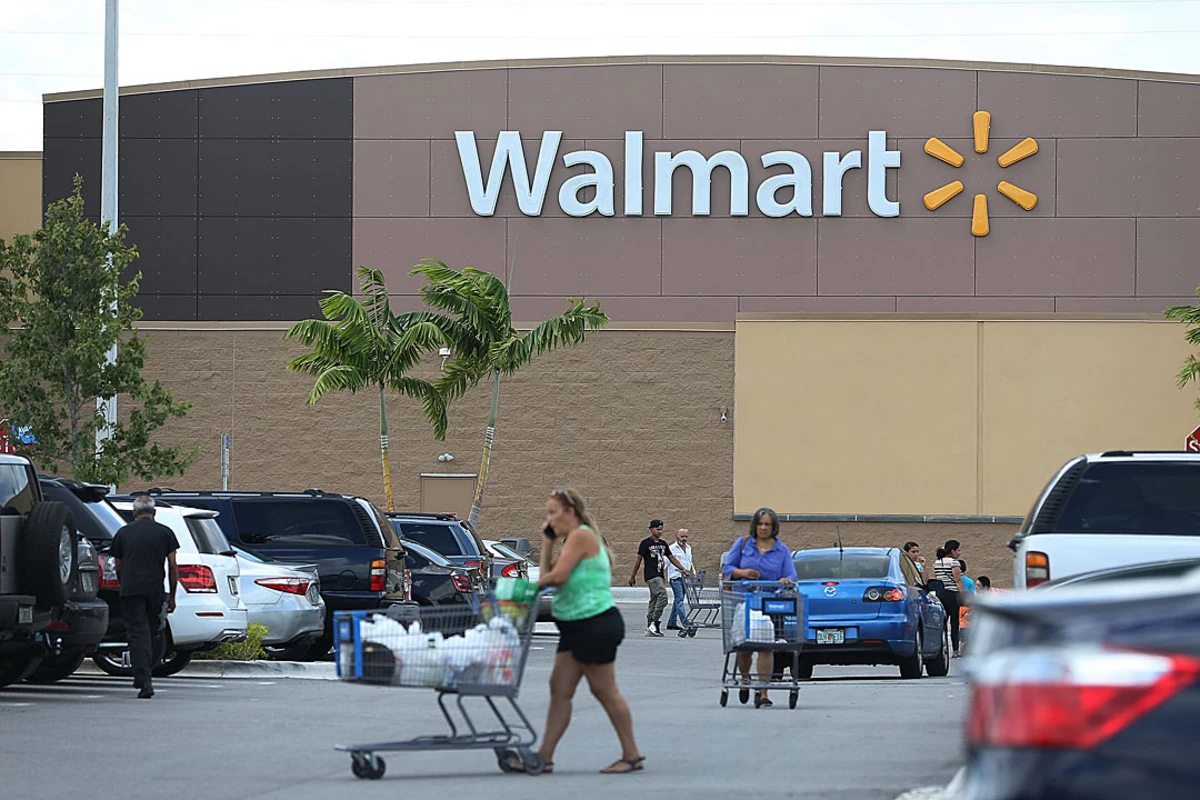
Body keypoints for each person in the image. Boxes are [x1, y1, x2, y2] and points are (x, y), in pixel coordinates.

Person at [531, 488, 643, 775]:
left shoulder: (581, 536)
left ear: (570, 512)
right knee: (560, 689)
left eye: (553, 512)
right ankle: (544, 757)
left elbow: (556, 578)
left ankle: (631, 756)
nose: (549, 518)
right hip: (575, 626)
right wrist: (546, 543)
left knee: (604, 690)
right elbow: (548, 573)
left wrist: (528, 589)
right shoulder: (570, 541)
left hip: (594, 624)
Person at [722, 507, 796, 708]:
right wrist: (743, 572)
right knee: (745, 649)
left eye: (768, 525)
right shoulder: (743, 544)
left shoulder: (782, 550)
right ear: (755, 525)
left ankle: (763, 692)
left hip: (770, 605)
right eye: (761, 524)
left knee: (766, 647)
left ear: (774, 528)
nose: (763, 528)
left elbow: (791, 575)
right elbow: (728, 568)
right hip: (745, 602)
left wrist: (785, 580)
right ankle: (745, 680)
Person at [111, 494, 180, 699]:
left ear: (134, 513)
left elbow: (118, 565)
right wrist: (172, 596)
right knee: (153, 632)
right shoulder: (165, 533)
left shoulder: (123, 533)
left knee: (136, 632)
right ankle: (146, 672)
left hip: (131, 589)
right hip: (154, 590)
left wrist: (123, 584)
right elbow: (173, 566)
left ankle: (143, 677)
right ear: (154, 512)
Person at [628, 519, 689, 637]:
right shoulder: (645, 543)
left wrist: (683, 569)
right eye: (657, 529)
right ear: (651, 529)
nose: (660, 532)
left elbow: (671, 558)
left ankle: (650, 626)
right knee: (663, 596)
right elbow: (638, 560)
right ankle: (654, 623)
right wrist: (633, 576)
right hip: (651, 575)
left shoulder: (663, 544)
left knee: (654, 599)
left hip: (660, 575)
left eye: (661, 529)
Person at [933, 540, 964, 659]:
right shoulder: (954, 563)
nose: (959, 553)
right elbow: (958, 580)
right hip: (952, 594)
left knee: (942, 623)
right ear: (952, 551)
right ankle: (955, 650)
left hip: (940, 594)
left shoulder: (937, 563)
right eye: (958, 550)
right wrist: (962, 595)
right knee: (954, 623)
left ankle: (941, 647)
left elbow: (937, 578)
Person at [666, 528, 695, 631]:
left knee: (678, 600)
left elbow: (689, 562)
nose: (684, 538)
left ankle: (671, 623)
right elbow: (665, 563)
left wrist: (692, 574)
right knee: (679, 600)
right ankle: (686, 623)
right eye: (682, 536)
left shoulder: (688, 548)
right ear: (677, 537)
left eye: (686, 536)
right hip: (675, 578)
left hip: (685, 578)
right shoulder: (671, 548)